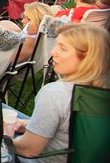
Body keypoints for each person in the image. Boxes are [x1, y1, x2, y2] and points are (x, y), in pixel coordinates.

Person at [7, 24, 110, 162]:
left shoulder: (56, 93)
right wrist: (26, 124)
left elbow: (29, 149)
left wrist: (1, 138)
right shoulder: (100, 93)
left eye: (63, 48)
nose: (53, 52)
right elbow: (71, 127)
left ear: (86, 58)